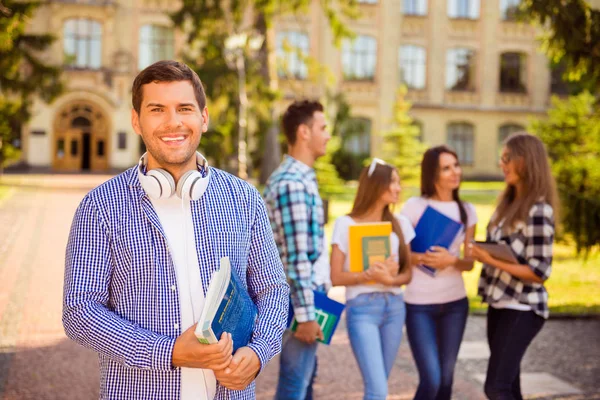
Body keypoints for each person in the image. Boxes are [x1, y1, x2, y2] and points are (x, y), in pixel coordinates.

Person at [62, 60, 289, 400]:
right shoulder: (100, 207)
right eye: (157, 109)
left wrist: (259, 353)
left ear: (204, 118)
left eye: (184, 108)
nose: (173, 122)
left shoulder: (245, 199)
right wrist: (168, 352)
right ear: (136, 120)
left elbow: (274, 290)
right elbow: (80, 310)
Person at [472, 132, 558, 400]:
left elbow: (539, 272)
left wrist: (491, 260)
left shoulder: (539, 210)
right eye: (501, 158)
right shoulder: (505, 205)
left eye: (508, 158)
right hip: (499, 303)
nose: (502, 164)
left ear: (526, 161)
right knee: (509, 386)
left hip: (523, 307)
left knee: (495, 387)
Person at [263, 100, 331, 400]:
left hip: (306, 298)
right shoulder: (292, 184)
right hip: (298, 302)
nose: (328, 135)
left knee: (304, 382)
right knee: (294, 386)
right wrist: (305, 316)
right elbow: (296, 257)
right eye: (323, 128)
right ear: (304, 132)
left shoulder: (301, 178)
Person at [330, 158, 414, 400]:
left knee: (378, 386)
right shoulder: (345, 224)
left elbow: (408, 273)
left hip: (395, 309)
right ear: (377, 186)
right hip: (362, 309)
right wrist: (366, 276)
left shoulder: (401, 224)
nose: (398, 188)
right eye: (393, 183)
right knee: (378, 390)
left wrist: (390, 280)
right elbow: (336, 276)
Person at [400, 145, 478, 400]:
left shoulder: (467, 211)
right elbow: (400, 255)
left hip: (455, 304)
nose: (455, 172)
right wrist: (424, 258)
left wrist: (451, 260)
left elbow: (469, 263)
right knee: (431, 379)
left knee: (446, 381)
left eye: (456, 165)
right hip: (419, 305)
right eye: (446, 168)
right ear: (432, 174)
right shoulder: (414, 207)